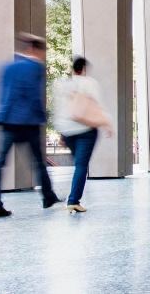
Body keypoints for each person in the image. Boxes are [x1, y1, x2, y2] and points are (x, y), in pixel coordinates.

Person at [0, 33, 59, 217]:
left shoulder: (7, 67)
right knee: (38, 162)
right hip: (28, 122)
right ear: (34, 49)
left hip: (8, 121)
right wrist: (43, 117)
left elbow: (2, 94)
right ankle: (48, 197)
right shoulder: (34, 68)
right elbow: (34, 95)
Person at [53, 56, 111, 213]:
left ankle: (72, 198)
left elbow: (61, 111)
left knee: (78, 164)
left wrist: (61, 134)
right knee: (81, 166)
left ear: (73, 69)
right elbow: (97, 106)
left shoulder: (63, 84)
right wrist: (106, 123)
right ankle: (73, 200)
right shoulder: (90, 84)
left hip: (67, 131)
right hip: (86, 131)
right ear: (84, 69)